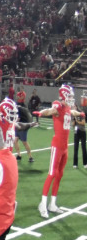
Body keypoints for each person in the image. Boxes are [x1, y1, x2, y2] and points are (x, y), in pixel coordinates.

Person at [33, 84, 83, 217]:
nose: (72, 98)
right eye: (70, 95)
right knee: (51, 173)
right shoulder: (58, 105)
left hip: (65, 146)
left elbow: (72, 112)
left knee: (59, 175)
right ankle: (43, 204)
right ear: (63, 95)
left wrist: (80, 113)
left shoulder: (66, 107)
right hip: (57, 145)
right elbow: (50, 110)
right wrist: (41, 113)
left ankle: (52, 203)